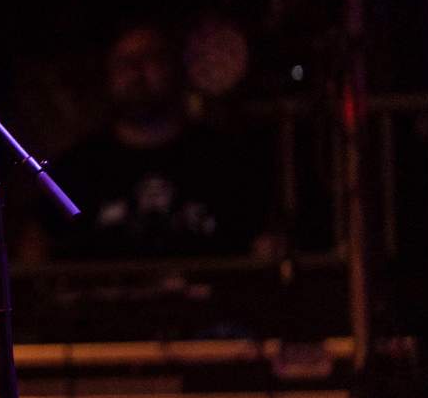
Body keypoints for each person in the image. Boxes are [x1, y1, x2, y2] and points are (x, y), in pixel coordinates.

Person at [43, 22, 268, 260]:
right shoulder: (78, 167)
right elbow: (38, 246)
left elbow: (261, 244)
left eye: (150, 58)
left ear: (175, 67)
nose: (136, 72)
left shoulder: (224, 161)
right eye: (124, 62)